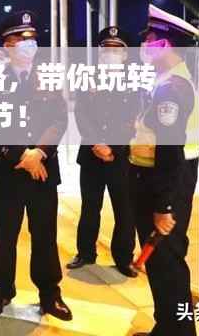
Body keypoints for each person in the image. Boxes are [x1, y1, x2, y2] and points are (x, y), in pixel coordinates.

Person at [0, 10, 72, 321]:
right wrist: (23, 155)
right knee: (5, 237)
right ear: (7, 45)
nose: (28, 43)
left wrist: (40, 153)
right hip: (9, 172)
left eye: (31, 38)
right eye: (21, 38)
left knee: (45, 236)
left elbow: (59, 120)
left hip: (42, 172)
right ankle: (2, 290)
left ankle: (50, 293)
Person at [130, 4, 199, 336]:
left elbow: (171, 152)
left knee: (168, 266)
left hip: (164, 187)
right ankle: (168, 328)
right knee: (163, 265)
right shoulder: (167, 81)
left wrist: (164, 207)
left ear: (166, 45)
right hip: (163, 183)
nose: (145, 44)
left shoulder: (172, 88)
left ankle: (180, 332)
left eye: (151, 38)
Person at [68, 26, 138, 277]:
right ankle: (85, 253)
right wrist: (97, 143)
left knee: (125, 210)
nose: (110, 54)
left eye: (116, 49)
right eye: (106, 49)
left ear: (125, 54)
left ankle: (124, 258)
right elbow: (81, 114)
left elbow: (136, 118)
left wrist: (113, 148)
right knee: (90, 207)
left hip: (123, 157)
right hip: (92, 155)